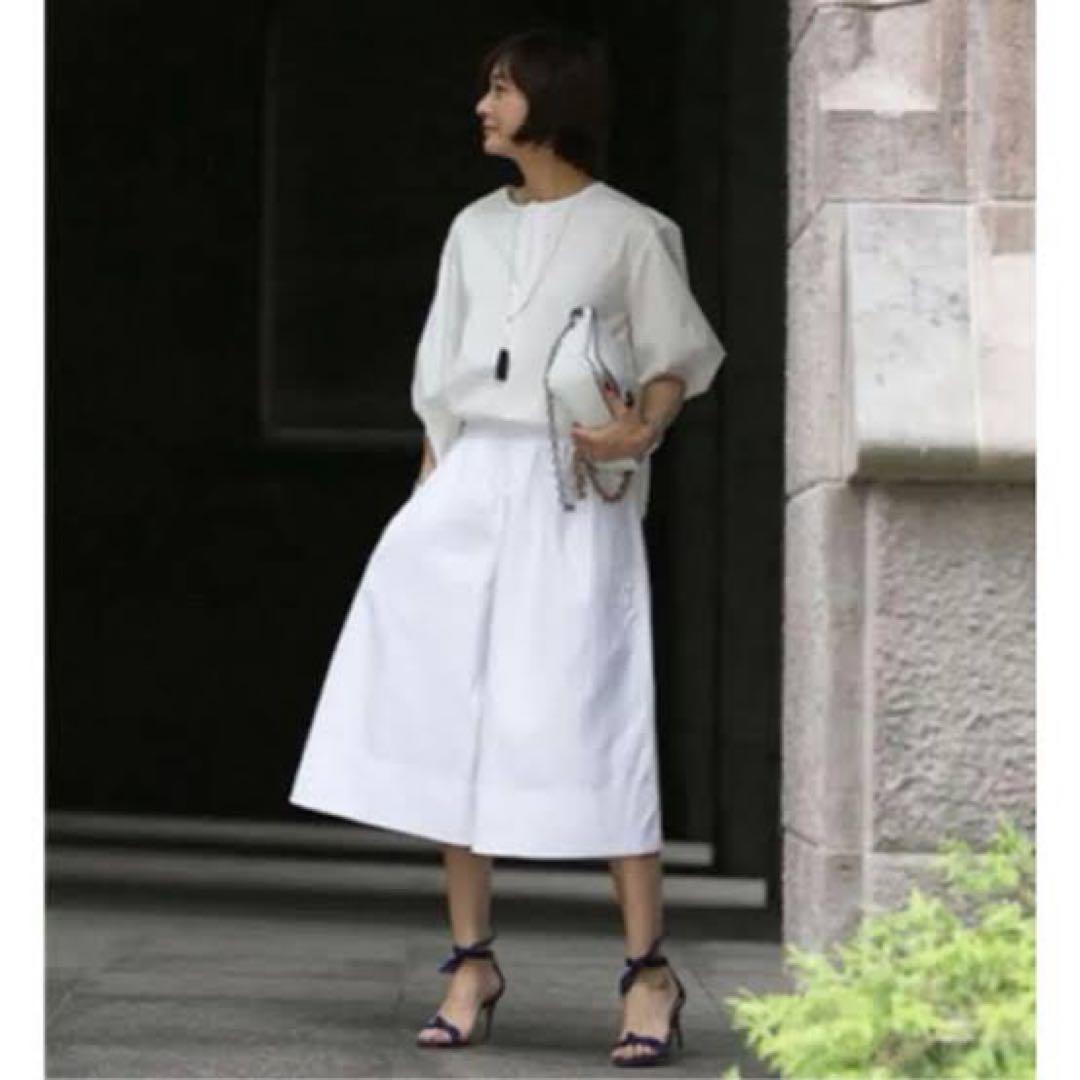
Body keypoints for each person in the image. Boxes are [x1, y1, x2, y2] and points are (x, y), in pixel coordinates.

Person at [288, 25, 726, 1068]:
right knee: (453, 714)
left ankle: (648, 973)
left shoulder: (633, 231)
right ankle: (471, 961)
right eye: (486, 87)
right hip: (468, 477)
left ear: (553, 101)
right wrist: (424, 502)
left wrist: (642, 427)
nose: (483, 106)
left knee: (597, 712)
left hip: (570, 489)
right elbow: (439, 378)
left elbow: (674, 359)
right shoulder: (472, 229)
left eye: (501, 88)